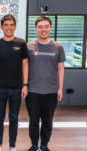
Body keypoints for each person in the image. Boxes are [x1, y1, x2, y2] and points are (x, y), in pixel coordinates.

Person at [0, 14, 29, 151]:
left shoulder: (21, 43)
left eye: (12, 25)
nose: (9, 27)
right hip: (0, 87)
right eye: (6, 25)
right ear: (1, 27)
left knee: (14, 118)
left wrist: (25, 85)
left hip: (17, 88)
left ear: (15, 26)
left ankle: (12, 146)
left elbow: (25, 65)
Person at [26, 16, 65, 151]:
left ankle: (44, 145)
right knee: (34, 120)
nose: (43, 29)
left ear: (50, 28)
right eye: (40, 27)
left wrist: (60, 88)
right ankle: (34, 144)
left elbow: (60, 68)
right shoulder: (28, 46)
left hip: (51, 91)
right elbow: (24, 68)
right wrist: (24, 86)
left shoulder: (58, 47)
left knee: (48, 121)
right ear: (36, 29)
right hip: (33, 91)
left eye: (46, 26)